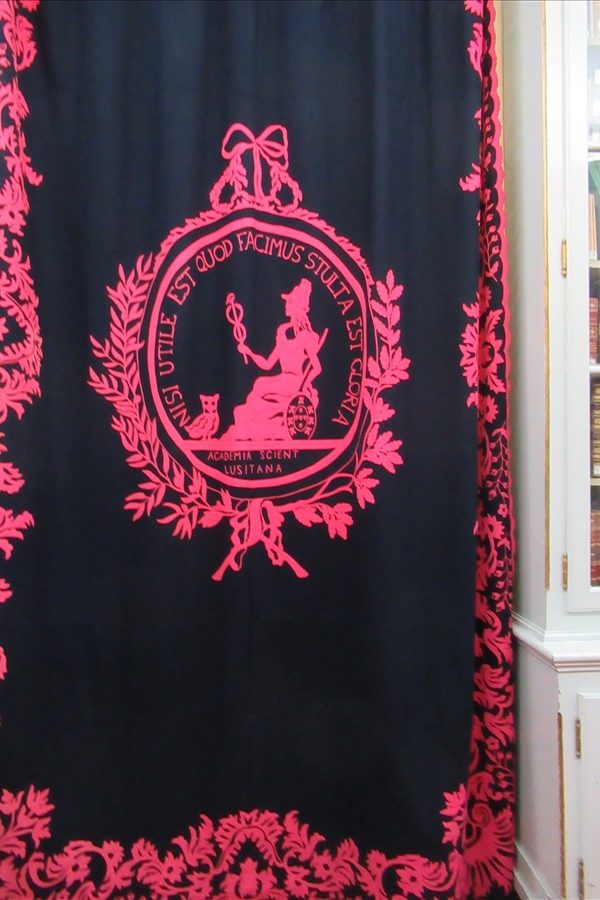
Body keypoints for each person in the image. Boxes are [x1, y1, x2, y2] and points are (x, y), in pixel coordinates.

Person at [221, 278, 323, 442]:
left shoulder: (307, 337)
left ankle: (262, 422)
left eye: (289, 302)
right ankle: (260, 423)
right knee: (259, 384)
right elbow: (268, 364)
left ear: (298, 306)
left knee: (261, 386)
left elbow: (317, 367)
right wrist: (249, 352)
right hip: (283, 379)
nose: (286, 305)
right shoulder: (282, 332)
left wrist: (304, 384)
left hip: (296, 382)